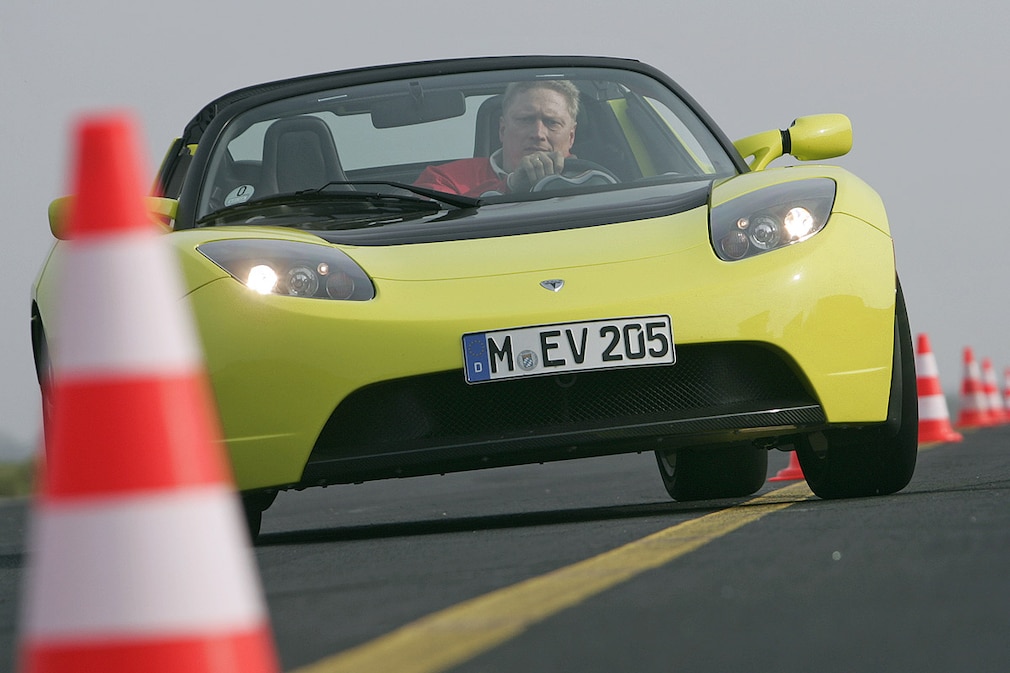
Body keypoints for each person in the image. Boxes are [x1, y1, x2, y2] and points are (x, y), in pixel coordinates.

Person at [414, 80, 580, 197]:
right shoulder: (445, 179)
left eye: (552, 122)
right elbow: (432, 223)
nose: (538, 134)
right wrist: (509, 186)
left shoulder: (598, 181)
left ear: (571, 136)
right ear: (502, 129)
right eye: (525, 120)